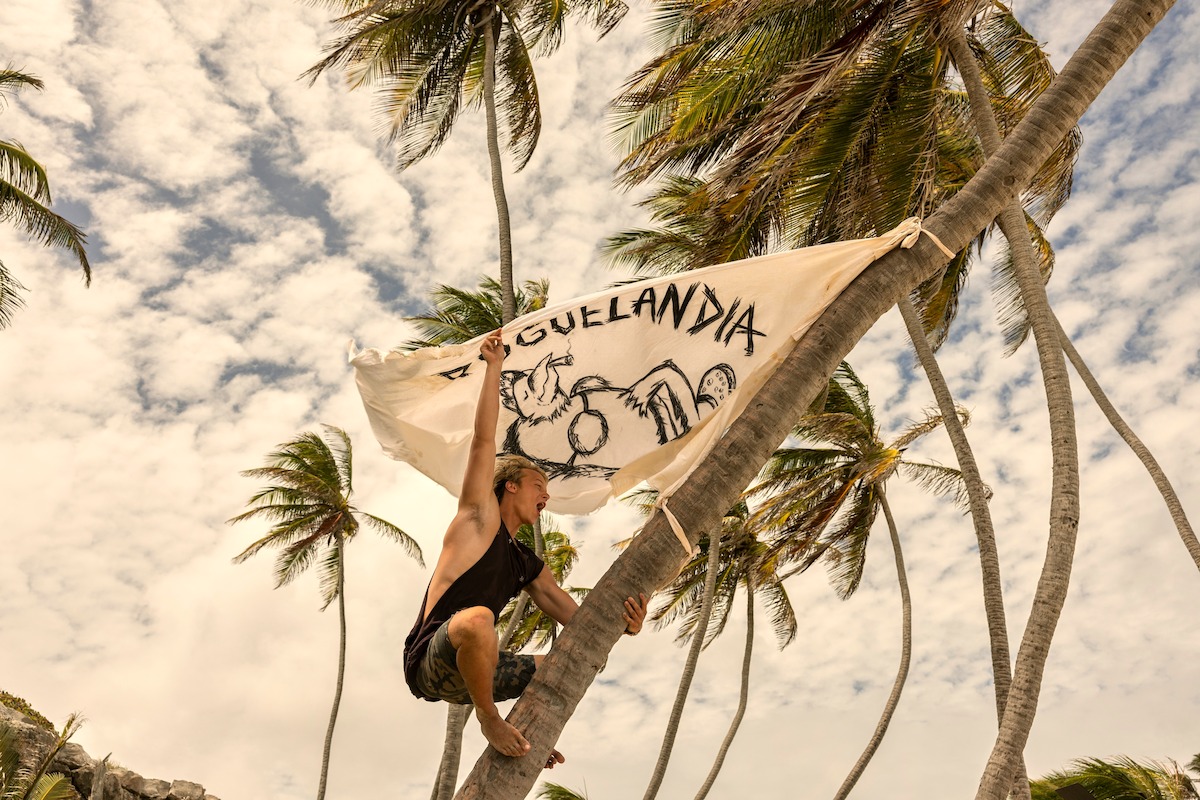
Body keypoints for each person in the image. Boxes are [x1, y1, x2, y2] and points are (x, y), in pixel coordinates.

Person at [403, 328, 649, 768]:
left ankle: (531, 729)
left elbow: (580, 622)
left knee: (580, 659)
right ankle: (488, 718)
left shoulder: (525, 565)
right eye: (539, 485)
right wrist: (494, 366)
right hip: (434, 661)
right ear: (510, 486)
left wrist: (627, 626)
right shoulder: (477, 518)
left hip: (482, 670)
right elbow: (483, 441)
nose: (546, 496)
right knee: (479, 620)